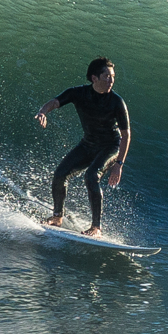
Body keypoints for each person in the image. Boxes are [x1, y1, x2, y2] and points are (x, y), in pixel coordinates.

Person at [34, 57, 130, 237]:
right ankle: (57, 217)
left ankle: (96, 228)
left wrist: (119, 164)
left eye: (113, 77)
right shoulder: (78, 93)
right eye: (107, 76)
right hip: (88, 144)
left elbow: (126, 135)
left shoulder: (117, 102)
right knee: (60, 174)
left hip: (110, 147)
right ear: (94, 78)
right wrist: (42, 111)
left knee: (91, 176)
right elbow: (55, 102)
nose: (111, 81)